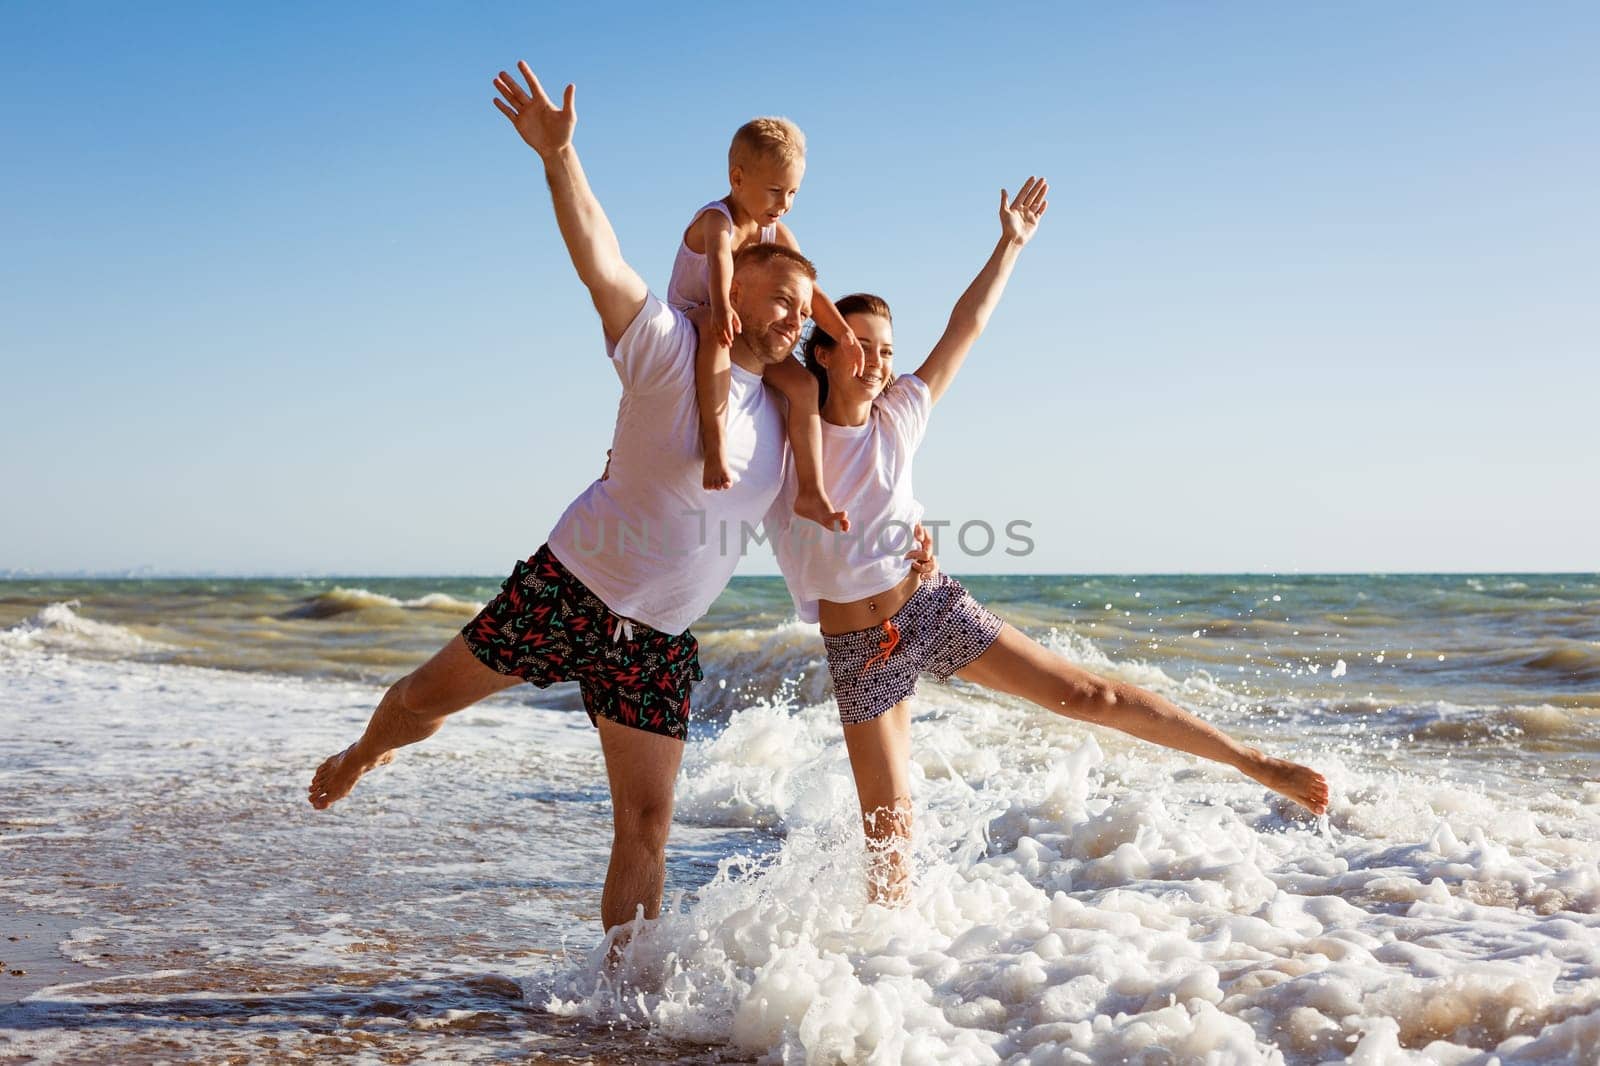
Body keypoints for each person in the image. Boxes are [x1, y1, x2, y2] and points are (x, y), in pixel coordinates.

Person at [305, 62, 938, 941]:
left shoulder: (794, 407)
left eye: (807, 311)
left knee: (645, 828)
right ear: (736, 290)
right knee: (420, 702)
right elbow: (600, 259)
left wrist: (915, 551)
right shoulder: (668, 350)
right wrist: (560, 159)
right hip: (568, 588)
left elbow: (857, 494)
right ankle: (363, 751)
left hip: (656, 640)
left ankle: (622, 999)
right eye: (784, 302)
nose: (799, 320)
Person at [772, 176, 1331, 902]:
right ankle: (890, 972)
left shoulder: (901, 413)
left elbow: (963, 327)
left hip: (927, 608)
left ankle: (1249, 760)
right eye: (861, 347)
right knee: (889, 830)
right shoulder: (788, 433)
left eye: (887, 350)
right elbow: (750, 332)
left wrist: (1008, 244)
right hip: (859, 647)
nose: (879, 362)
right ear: (822, 351)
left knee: (1086, 694)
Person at [672, 117, 859, 532]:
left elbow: (808, 286)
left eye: (793, 191)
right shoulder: (716, 220)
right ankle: (715, 445)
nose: (786, 202)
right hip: (698, 316)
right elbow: (721, 261)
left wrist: (843, 332)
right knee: (711, 330)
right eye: (776, 190)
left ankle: (812, 492)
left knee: (804, 385)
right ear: (738, 179)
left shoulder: (776, 232)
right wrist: (721, 307)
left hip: (742, 327)